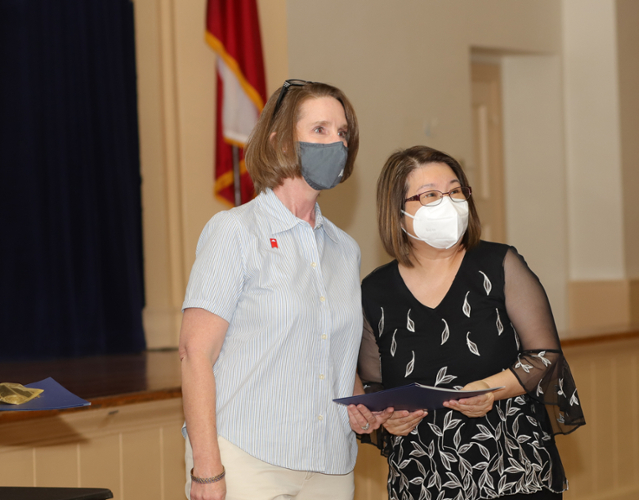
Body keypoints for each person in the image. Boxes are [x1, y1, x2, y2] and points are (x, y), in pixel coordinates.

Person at [179, 80, 378, 500]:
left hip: (330, 465)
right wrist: (207, 468)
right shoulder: (234, 231)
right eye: (320, 130)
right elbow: (195, 353)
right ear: (280, 140)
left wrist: (359, 402)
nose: (336, 143)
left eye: (343, 133)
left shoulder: (346, 249)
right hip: (249, 459)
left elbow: (331, 350)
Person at [352, 146, 585, 500]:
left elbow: (544, 355)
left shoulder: (499, 264)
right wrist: (387, 417)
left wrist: (491, 389)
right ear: (397, 214)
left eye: (456, 191)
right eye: (430, 195)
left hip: (511, 469)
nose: (448, 203)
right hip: (422, 477)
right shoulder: (375, 290)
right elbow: (373, 385)